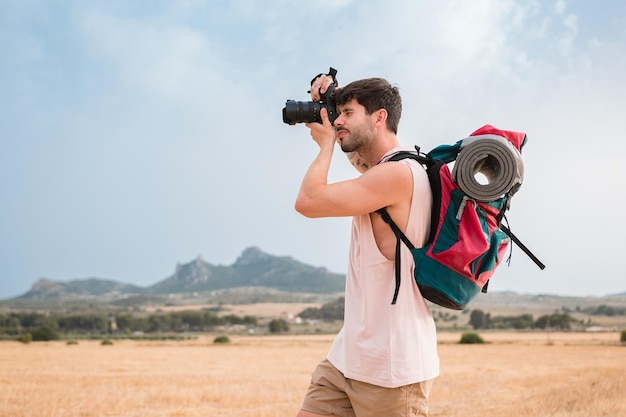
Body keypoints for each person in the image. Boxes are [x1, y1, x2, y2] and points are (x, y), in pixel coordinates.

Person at [294, 74, 440, 417]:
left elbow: (308, 201)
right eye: (337, 112)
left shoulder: (398, 174)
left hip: (392, 369)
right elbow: (360, 161)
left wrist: (326, 143)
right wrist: (331, 103)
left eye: (347, 112)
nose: (338, 120)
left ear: (379, 117)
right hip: (346, 360)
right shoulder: (384, 169)